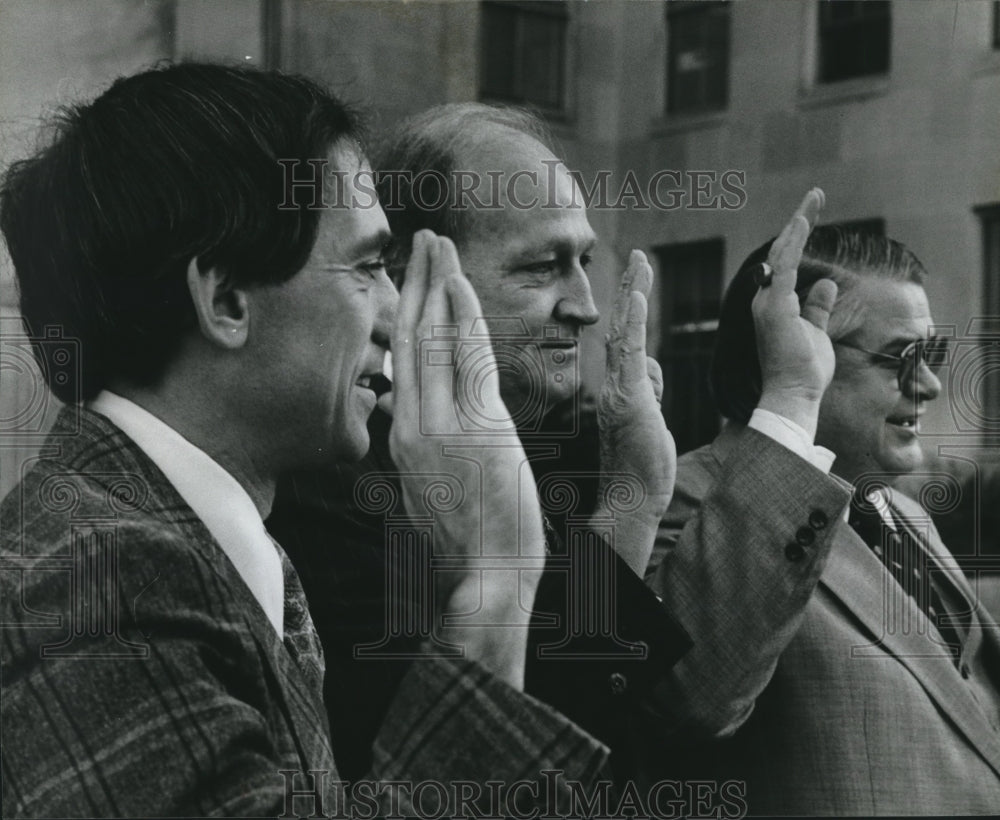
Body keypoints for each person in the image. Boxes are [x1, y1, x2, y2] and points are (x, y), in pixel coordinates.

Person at [0, 63, 612, 818]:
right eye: (366, 269)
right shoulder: (93, 581)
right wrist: (495, 583)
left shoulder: (181, 545)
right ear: (226, 300)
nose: (395, 315)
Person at [266, 104, 850, 789]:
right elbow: (497, 761)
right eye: (543, 267)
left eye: (587, 261)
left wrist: (636, 490)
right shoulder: (335, 480)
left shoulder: (541, 452)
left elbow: (626, 717)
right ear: (413, 275)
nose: (586, 304)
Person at [645, 226, 1000, 815]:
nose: (931, 385)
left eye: (931, 355)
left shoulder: (903, 511)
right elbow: (691, 700)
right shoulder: (682, 500)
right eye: (900, 358)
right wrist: (790, 399)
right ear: (791, 351)